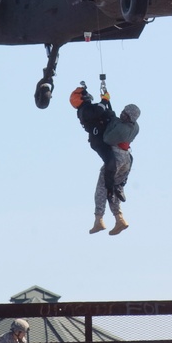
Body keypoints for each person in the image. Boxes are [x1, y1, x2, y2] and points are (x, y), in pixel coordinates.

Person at [71, 84, 128, 235]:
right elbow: (99, 110)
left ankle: (111, 217)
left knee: (108, 182)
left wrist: (106, 103)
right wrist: (104, 99)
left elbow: (105, 112)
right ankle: (112, 217)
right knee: (110, 166)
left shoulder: (89, 109)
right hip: (99, 142)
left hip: (104, 141)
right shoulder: (85, 110)